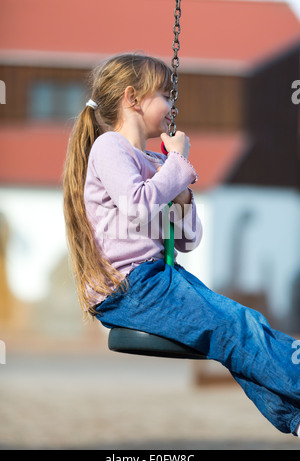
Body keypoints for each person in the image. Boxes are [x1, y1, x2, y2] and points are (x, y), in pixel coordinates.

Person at [63, 53, 300, 439]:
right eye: (164, 95)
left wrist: (182, 195)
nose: (172, 106)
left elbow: (187, 239)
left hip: (159, 278)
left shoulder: (155, 160)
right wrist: (176, 165)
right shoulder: (110, 147)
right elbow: (137, 205)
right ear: (133, 98)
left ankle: (294, 418)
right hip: (132, 286)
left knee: (237, 330)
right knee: (237, 326)